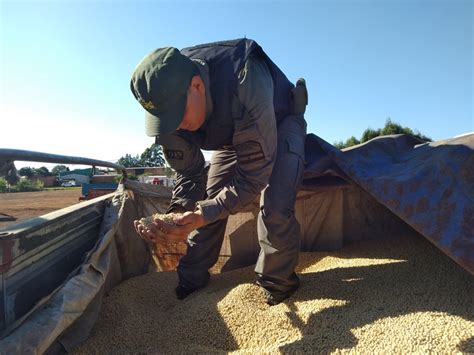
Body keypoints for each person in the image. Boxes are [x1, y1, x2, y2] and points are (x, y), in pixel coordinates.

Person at [131, 38, 307, 305]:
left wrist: (203, 214)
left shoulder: (246, 81)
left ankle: (278, 287)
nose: (174, 125)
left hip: (278, 122)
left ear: (197, 86)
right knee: (211, 199)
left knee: (275, 205)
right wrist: (172, 219)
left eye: (178, 114)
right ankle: (191, 284)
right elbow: (190, 173)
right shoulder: (168, 105)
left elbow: (252, 178)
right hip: (229, 135)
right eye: (165, 119)